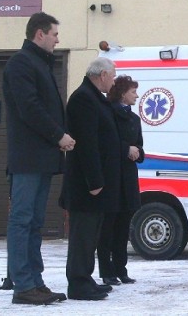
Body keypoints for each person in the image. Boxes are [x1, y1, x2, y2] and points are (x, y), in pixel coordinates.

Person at [2, 12, 75, 305]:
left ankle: (35, 281)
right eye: (55, 34)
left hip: (41, 159)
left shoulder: (40, 64)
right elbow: (29, 108)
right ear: (39, 34)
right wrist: (58, 135)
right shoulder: (21, 63)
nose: (58, 39)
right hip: (28, 159)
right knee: (22, 220)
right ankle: (23, 285)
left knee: (34, 222)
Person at [60, 57, 121, 300]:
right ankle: (78, 283)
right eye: (113, 76)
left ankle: (85, 278)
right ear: (102, 75)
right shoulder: (84, 98)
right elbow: (87, 144)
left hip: (97, 184)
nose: (114, 81)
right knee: (82, 236)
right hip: (87, 186)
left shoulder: (95, 98)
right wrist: (94, 182)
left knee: (91, 235)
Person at [97, 75, 144, 286]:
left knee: (123, 227)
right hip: (111, 177)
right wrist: (126, 149)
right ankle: (107, 271)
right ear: (123, 93)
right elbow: (106, 143)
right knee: (108, 227)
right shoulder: (108, 113)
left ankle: (121, 269)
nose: (136, 95)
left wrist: (137, 153)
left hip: (128, 177)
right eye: (133, 91)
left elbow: (140, 147)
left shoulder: (134, 119)